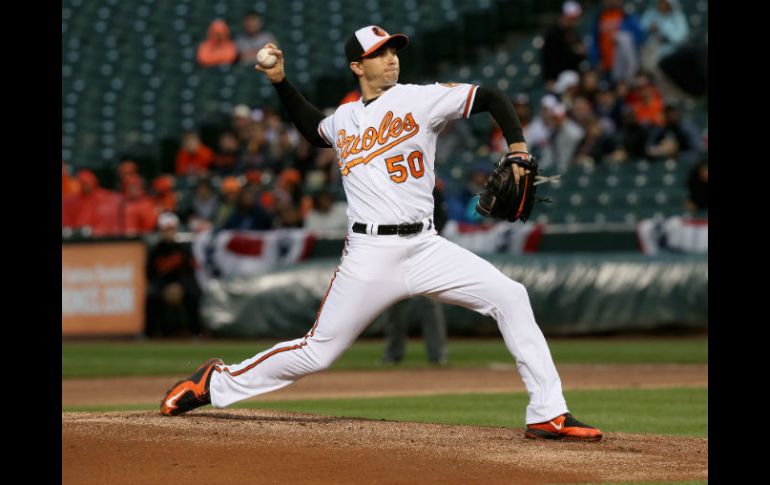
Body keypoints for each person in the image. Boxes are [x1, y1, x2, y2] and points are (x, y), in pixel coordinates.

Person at [160, 25, 603, 442]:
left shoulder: (418, 99)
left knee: (511, 296)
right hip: (369, 253)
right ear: (358, 66)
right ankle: (215, 382)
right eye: (379, 54)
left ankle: (548, 411)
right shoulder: (345, 118)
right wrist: (281, 82)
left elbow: (491, 97)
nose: (391, 60)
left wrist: (518, 146)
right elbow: (315, 130)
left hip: (425, 246)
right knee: (319, 353)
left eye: (393, 51)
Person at [381, 185, 449, 365]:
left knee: (431, 303)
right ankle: (393, 354)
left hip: (423, 251)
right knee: (394, 304)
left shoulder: (431, 186)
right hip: (397, 251)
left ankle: (438, 354)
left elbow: (441, 219)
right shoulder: (392, 187)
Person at [145, 212, 203, 337]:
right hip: (163, 286)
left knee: (193, 294)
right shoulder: (155, 250)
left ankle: (196, 332)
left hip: (180, 286)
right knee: (151, 296)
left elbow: (190, 273)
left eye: (171, 229)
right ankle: (151, 334)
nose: (169, 233)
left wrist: (179, 287)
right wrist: (165, 288)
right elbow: (150, 274)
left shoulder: (183, 249)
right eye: (166, 230)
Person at [541, 1, 588, 90]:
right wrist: (549, 78)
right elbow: (547, 58)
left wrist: (580, 52)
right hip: (557, 78)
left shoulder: (574, 32)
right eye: (573, 18)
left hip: (572, 74)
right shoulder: (552, 33)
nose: (575, 21)